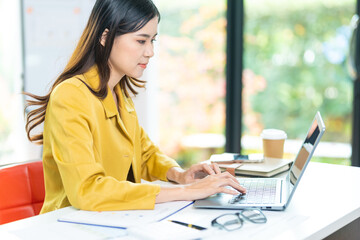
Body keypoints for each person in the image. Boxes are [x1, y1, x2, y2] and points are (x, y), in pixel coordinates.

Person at [24, 0, 245, 214]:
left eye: (153, 41)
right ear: (105, 37)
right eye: (141, 41)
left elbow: (145, 154)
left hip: (110, 218)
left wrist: (179, 174)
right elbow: (87, 190)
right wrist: (186, 191)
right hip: (67, 224)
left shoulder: (120, 95)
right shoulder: (70, 95)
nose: (150, 51)